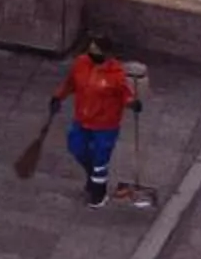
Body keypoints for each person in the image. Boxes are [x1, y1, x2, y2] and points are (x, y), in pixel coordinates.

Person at [49, 32, 142, 206]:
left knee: (101, 161)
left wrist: (133, 104)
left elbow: (125, 96)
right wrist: (58, 97)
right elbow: (70, 83)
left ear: (106, 54)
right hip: (82, 120)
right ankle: (92, 177)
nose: (92, 53)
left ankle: (98, 195)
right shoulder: (81, 64)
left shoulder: (116, 75)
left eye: (96, 50)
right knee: (76, 148)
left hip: (105, 126)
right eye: (91, 49)